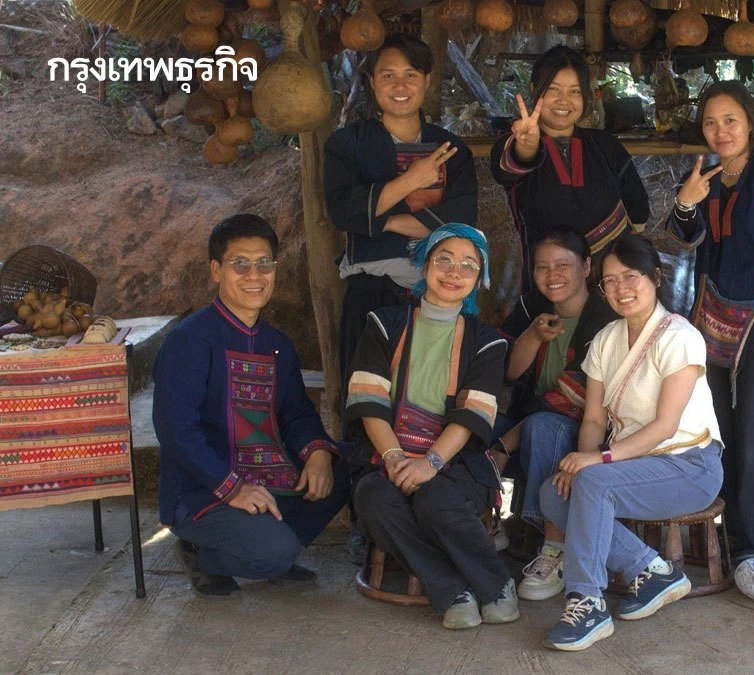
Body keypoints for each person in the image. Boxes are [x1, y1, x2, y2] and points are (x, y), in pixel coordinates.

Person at [538, 233, 724, 651]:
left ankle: (586, 601)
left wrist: (598, 461)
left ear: (655, 278)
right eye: (610, 281)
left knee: (592, 483)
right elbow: (593, 418)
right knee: (554, 492)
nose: (621, 288)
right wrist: (586, 458)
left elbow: (665, 426)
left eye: (630, 276)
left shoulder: (679, 336)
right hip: (632, 465)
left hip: (689, 465)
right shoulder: (606, 339)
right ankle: (651, 571)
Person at [153, 214, 351, 599]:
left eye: (264, 263)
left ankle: (265, 541)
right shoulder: (188, 340)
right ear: (216, 271)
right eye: (240, 263)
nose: (254, 275)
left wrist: (318, 455)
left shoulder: (277, 343)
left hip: (267, 476)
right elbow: (177, 431)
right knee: (276, 552)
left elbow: (296, 413)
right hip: (204, 490)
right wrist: (233, 489)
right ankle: (202, 551)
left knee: (350, 467)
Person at [667, 80, 754, 566]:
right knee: (715, 428)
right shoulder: (702, 178)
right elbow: (683, 241)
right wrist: (686, 201)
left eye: (730, 120)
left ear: (750, 123)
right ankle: (722, 537)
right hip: (708, 319)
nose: (720, 131)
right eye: (710, 122)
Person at [347, 223, 518, 630]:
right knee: (372, 498)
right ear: (425, 265)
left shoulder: (487, 342)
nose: (454, 272)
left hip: (456, 462)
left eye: (468, 265)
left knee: (434, 498)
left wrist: (431, 463)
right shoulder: (384, 323)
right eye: (444, 259)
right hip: (387, 455)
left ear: (480, 278)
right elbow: (369, 401)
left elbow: (473, 415)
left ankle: (496, 585)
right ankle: (455, 588)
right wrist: (394, 457)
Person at [324, 32, 477, 410]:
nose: (400, 85)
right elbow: (342, 212)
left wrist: (382, 220)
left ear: (427, 81)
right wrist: (413, 180)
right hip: (370, 294)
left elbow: (459, 227)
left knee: (433, 403)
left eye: (411, 75)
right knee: (366, 401)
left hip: (438, 298)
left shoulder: (452, 150)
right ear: (372, 82)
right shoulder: (347, 144)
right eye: (388, 75)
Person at [492, 230, 618, 601]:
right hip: (530, 418)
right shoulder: (533, 308)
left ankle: (554, 547)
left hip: (589, 432)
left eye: (563, 265)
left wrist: (506, 444)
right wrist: (532, 337)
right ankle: (483, 524)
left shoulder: (605, 317)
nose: (552, 276)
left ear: (587, 267)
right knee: (473, 425)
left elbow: (574, 400)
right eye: (542, 267)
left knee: (543, 427)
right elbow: (507, 373)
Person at [490, 45, 649, 293]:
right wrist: (527, 146)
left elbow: (637, 206)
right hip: (549, 290)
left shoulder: (605, 145)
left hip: (611, 289)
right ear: (534, 89)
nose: (564, 100)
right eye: (553, 90)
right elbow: (508, 167)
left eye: (574, 91)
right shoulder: (513, 145)